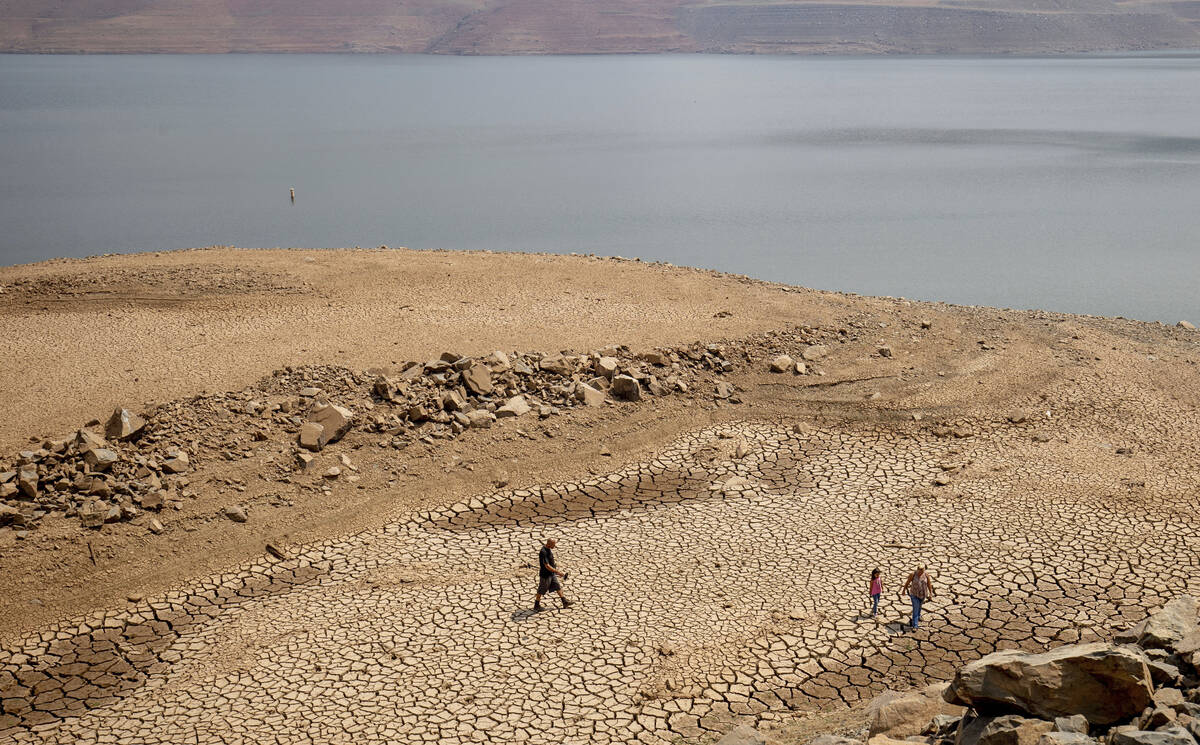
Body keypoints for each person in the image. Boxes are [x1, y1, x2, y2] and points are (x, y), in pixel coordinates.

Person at [534, 538, 572, 612]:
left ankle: (564, 602)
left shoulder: (548, 549)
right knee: (541, 590)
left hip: (551, 574)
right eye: (553, 544)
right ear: (549, 544)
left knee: (557, 586)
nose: (555, 546)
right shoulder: (543, 552)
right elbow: (547, 566)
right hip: (545, 575)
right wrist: (558, 572)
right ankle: (536, 605)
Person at [900, 566, 935, 630]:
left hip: (923, 595)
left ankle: (918, 616)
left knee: (919, 606)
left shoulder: (926, 575)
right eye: (920, 570)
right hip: (914, 595)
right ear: (918, 569)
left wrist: (930, 593)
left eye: (923, 570)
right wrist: (904, 590)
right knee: (915, 609)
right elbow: (907, 582)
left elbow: (929, 584)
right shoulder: (913, 574)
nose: (921, 571)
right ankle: (915, 625)